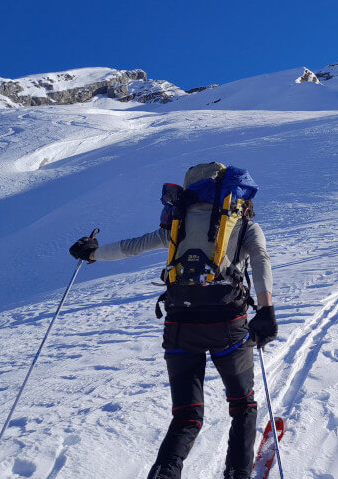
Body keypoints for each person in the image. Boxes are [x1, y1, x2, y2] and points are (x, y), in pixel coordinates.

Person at [69, 162, 278, 479]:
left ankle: (164, 473)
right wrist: (265, 309)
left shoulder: (177, 224)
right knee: (242, 405)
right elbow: (260, 259)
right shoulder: (244, 225)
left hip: (180, 326)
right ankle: (238, 473)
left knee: (186, 415)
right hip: (227, 326)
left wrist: (92, 253)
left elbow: (131, 247)